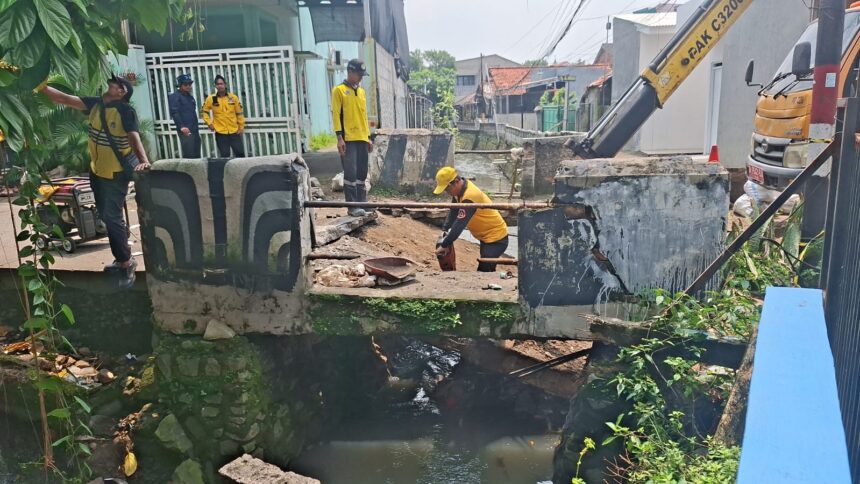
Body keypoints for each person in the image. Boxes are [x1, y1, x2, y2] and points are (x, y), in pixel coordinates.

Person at [39, 75, 152, 289]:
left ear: (122, 92)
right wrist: (41, 87)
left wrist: (144, 162)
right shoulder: (96, 104)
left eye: (116, 84)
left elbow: (133, 137)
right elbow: (65, 99)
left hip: (115, 174)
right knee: (108, 217)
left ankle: (126, 262)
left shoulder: (125, 111)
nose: (110, 84)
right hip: (97, 172)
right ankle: (122, 257)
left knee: (111, 217)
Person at [433, 167, 509, 272]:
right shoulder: (459, 192)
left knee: (484, 270)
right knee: (487, 268)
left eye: (447, 189)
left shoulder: (470, 196)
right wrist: (445, 229)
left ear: (456, 182)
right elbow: (454, 211)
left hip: (496, 238)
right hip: (485, 237)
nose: (447, 192)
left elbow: (460, 223)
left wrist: (445, 244)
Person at [331, 59, 373, 217]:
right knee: (350, 173)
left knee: (362, 173)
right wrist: (339, 137)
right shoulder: (339, 90)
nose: (361, 77)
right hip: (348, 138)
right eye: (359, 74)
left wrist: (368, 137)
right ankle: (352, 206)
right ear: (350, 72)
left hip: (362, 137)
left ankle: (363, 202)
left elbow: (364, 115)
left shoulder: (361, 92)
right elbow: (336, 115)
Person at [201, 75, 246, 158]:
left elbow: (239, 113)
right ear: (215, 86)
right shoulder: (211, 98)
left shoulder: (233, 97)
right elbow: (204, 112)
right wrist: (209, 123)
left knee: (240, 154)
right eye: (218, 84)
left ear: (225, 85)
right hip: (220, 132)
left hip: (234, 131)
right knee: (225, 156)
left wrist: (241, 126)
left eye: (221, 84)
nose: (220, 86)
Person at [168, 73, 200, 158]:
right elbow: (175, 112)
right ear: (180, 85)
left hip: (194, 130)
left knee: (197, 155)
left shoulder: (190, 97)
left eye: (190, 84)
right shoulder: (175, 96)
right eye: (185, 84)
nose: (188, 86)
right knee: (189, 156)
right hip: (185, 130)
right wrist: (182, 127)